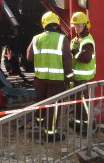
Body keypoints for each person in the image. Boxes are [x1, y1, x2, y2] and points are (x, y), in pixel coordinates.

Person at [27, 11, 73, 141]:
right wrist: (70, 79)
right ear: (57, 24)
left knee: (40, 101)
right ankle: (51, 133)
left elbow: (29, 57)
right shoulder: (62, 39)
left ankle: (39, 123)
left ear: (43, 23)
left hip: (40, 78)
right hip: (56, 80)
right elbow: (67, 61)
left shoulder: (36, 39)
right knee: (53, 106)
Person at [70, 12, 96, 134]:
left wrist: (75, 53)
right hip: (78, 77)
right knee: (78, 103)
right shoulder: (77, 38)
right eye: (75, 26)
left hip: (84, 77)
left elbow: (86, 58)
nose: (76, 28)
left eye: (79, 26)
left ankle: (88, 125)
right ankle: (78, 123)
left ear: (85, 25)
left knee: (84, 103)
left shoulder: (87, 41)